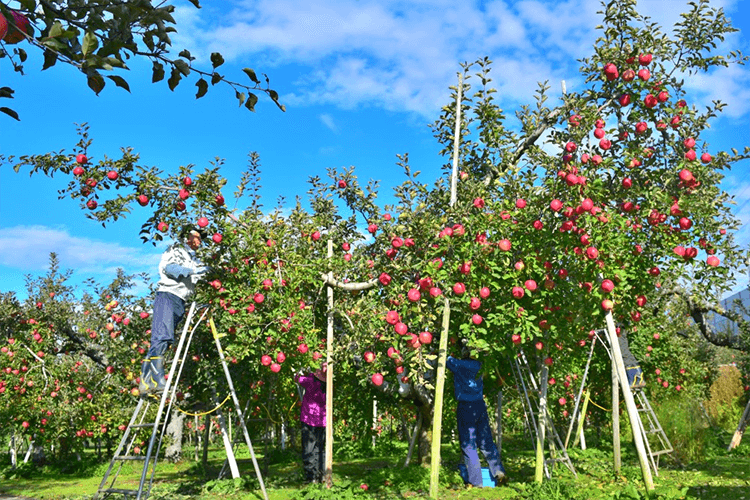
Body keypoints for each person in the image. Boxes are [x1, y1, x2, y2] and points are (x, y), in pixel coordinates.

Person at [139, 229, 207, 396]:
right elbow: (170, 268)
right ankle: (155, 379)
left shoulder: (193, 259)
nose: (199, 241)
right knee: (162, 336)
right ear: (187, 237)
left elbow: (197, 276)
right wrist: (193, 271)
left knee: (166, 339)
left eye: (200, 239)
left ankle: (145, 382)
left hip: (180, 301)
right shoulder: (176, 250)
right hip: (168, 296)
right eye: (196, 237)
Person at [447, 346, 508, 488]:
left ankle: (476, 481)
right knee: (485, 441)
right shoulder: (480, 365)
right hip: (480, 405)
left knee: (469, 444)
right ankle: (499, 471)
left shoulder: (459, 364)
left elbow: (447, 360)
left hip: (466, 406)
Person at [296, 364, 327, 483]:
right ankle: (321, 475)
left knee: (309, 449)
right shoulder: (328, 386)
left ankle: (311, 476)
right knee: (320, 449)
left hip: (308, 420)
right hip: (322, 422)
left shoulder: (310, 381)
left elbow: (297, 378)